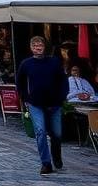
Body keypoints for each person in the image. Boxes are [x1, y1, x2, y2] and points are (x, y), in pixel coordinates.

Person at [16, 36, 68, 175]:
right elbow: (20, 82)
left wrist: (62, 97)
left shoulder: (54, 62)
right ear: (31, 48)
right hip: (35, 104)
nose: (38, 48)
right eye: (35, 45)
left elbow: (63, 81)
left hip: (54, 103)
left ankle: (56, 156)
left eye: (40, 45)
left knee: (56, 134)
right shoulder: (26, 64)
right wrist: (25, 98)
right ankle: (46, 163)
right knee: (40, 132)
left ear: (45, 47)